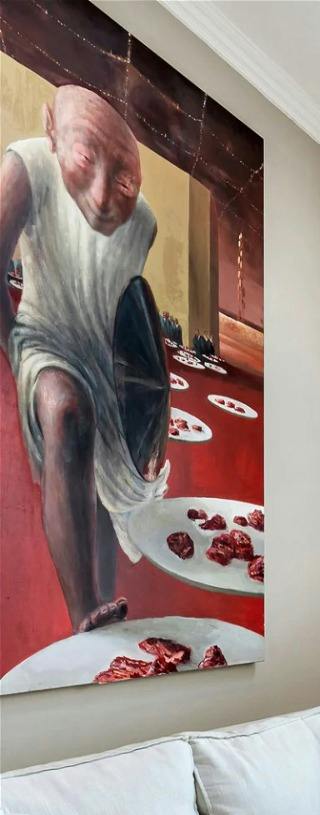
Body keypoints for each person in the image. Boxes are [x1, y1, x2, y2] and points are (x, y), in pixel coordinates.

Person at [0, 84, 168, 633]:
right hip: (44, 337)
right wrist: (14, 346)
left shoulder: (141, 224)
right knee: (68, 410)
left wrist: (150, 424)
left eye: (122, 180)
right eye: (84, 159)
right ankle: (83, 612)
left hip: (106, 366)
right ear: (52, 129)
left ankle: (103, 604)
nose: (101, 197)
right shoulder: (26, 167)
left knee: (100, 490)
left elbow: (134, 325)